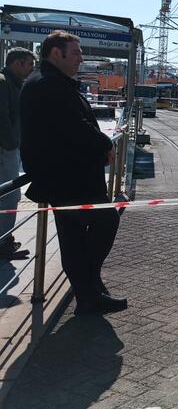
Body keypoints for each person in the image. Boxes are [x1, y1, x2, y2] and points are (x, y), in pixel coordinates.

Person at [20, 31, 126, 314]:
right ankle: (89, 286)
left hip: (65, 177)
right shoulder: (47, 84)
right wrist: (104, 144)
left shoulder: (50, 82)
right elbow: (74, 127)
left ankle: (88, 293)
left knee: (74, 237)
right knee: (105, 221)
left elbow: (73, 125)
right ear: (57, 53)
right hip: (67, 179)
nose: (81, 59)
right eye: (76, 52)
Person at [0, 48, 35, 258]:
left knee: (7, 195)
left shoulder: (11, 82)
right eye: (28, 64)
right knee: (10, 195)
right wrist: (11, 144)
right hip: (5, 150)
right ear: (17, 63)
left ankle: (5, 239)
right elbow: (2, 117)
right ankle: (4, 243)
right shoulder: (4, 83)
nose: (31, 70)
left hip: (8, 147)